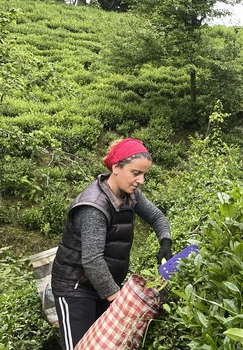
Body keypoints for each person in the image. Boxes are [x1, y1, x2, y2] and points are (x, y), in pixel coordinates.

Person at [51, 138, 173, 350]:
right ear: (116, 167)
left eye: (144, 174)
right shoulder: (94, 207)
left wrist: (165, 242)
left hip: (103, 285)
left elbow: (156, 216)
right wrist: (117, 298)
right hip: (75, 287)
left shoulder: (131, 194)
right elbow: (92, 260)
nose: (141, 180)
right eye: (136, 173)